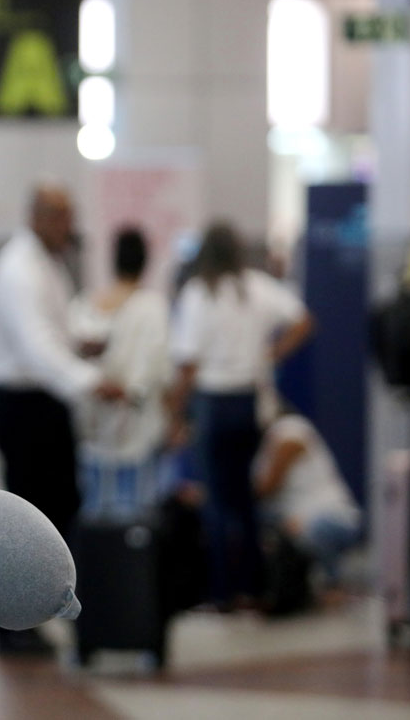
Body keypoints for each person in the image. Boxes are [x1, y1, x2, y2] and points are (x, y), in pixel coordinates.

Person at [0, 183, 122, 653]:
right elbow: (35, 347)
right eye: (61, 216)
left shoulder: (47, 263)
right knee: (27, 522)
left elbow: (55, 329)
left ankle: (39, 617)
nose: (69, 226)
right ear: (37, 216)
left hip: (40, 403)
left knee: (58, 511)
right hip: (22, 405)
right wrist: (89, 381)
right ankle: (12, 627)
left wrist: (83, 342)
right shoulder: (19, 269)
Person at [169, 221, 313, 610]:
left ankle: (221, 591)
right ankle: (253, 585)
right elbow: (303, 319)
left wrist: (175, 412)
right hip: (249, 402)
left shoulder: (198, 294)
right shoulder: (257, 287)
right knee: (245, 499)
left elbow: (187, 364)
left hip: (213, 402)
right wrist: (271, 355)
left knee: (215, 499)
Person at [71, 227, 170, 516]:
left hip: (91, 429)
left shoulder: (84, 305)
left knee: (91, 515)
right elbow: (158, 369)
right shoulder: (153, 308)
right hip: (136, 429)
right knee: (133, 523)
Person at [253, 404, 362, 602]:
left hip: (333, 518)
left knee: (311, 528)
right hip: (290, 515)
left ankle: (332, 583)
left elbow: (265, 488)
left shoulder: (290, 429)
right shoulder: (263, 444)